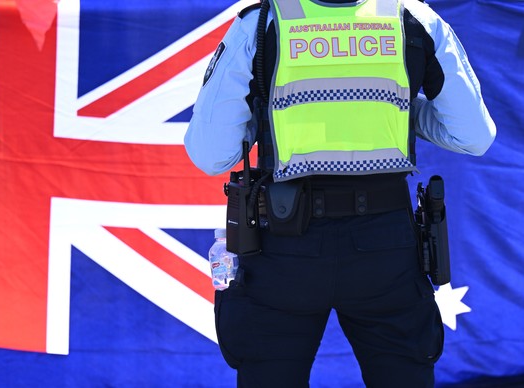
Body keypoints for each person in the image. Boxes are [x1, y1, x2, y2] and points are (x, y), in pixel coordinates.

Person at [185, 0, 496, 387]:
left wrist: (263, 122)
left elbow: (211, 154)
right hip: (385, 250)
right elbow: (473, 137)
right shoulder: (415, 17)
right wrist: (401, 114)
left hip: (283, 249)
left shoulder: (262, 21)